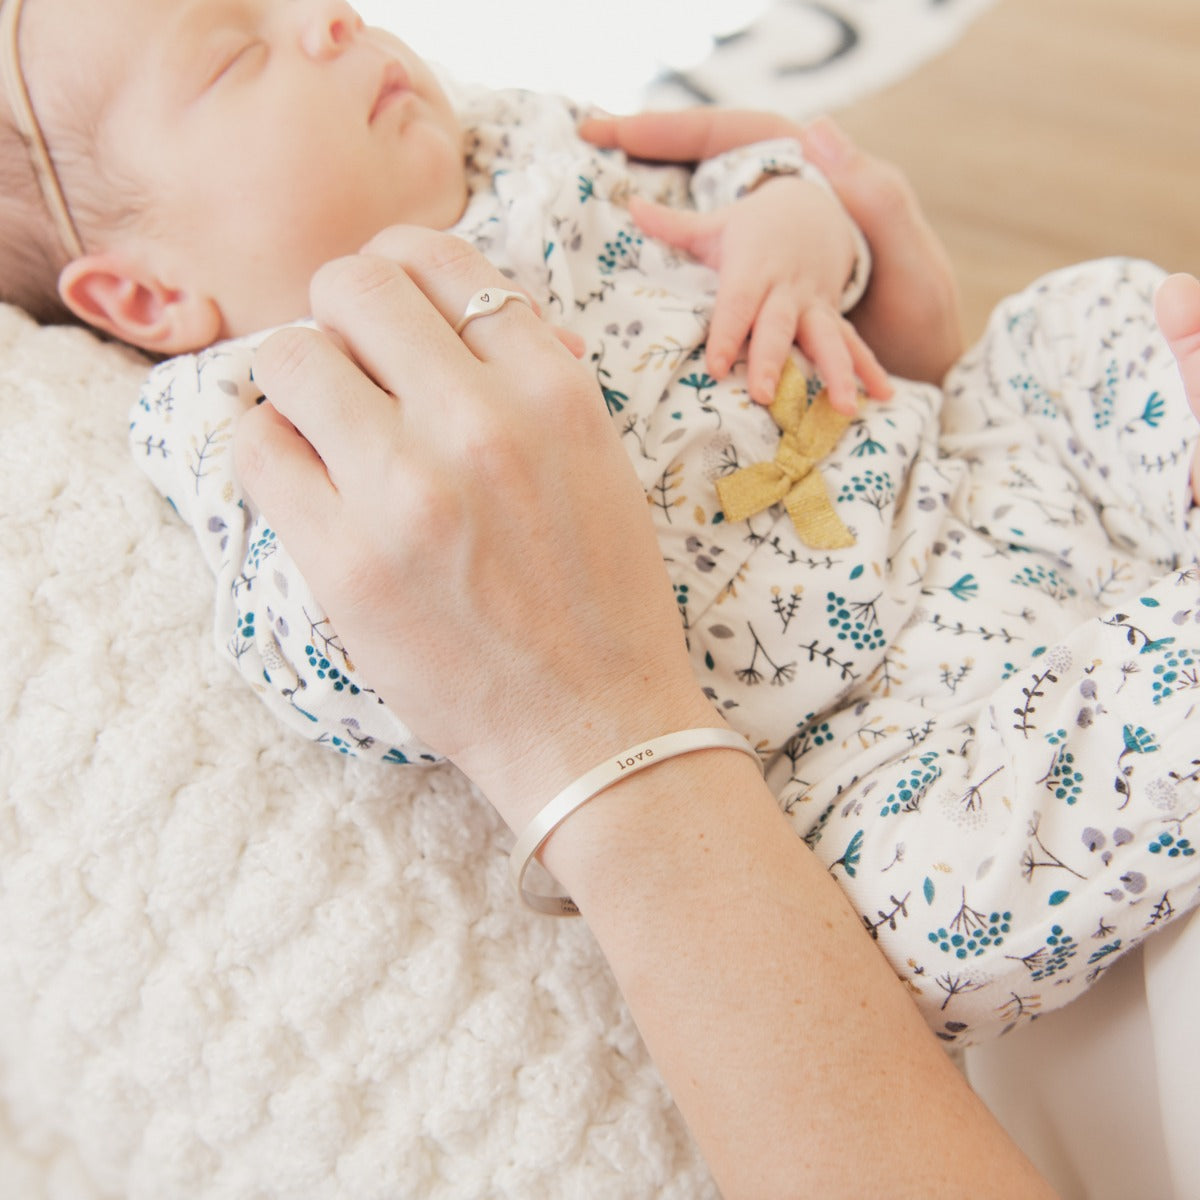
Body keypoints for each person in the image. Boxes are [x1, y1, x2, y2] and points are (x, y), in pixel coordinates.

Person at [3, 0, 1198, 1049]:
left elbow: (741, 179)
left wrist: (790, 225)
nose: (330, 18)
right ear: (145, 293)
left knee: (1084, 321)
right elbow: (329, 654)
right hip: (865, 742)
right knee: (942, 906)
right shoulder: (251, 409)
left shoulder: (524, 143)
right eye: (234, 58)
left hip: (969, 479)